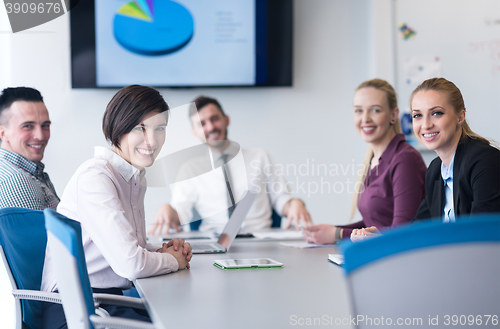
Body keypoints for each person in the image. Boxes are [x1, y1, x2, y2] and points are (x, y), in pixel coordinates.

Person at [41, 85, 193, 326]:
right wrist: (174, 261)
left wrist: (162, 251)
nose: (151, 141)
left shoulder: (133, 176)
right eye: (139, 128)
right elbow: (131, 264)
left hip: (105, 299)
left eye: (160, 129)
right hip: (74, 309)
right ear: (118, 128)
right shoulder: (96, 177)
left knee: (184, 314)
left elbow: (133, 249)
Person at [351, 77, 500, 241]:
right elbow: (415, 232)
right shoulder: (436, 170)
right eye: (417, 115)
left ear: (460, 116)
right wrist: (379, 238)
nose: (426, 124)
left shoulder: (484, 161)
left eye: (437, 113)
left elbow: (481, 237)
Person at [148, 95, 312, 235]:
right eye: (202, 124)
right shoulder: (189, 170)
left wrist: (294, 203)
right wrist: (167, 209)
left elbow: (281, 199)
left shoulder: (260, 156)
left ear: (226, 120)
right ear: (195, 132)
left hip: (260, 240)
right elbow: (180, 212)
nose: (211, 127)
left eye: (214, 119)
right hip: (214, 243)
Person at [303, 79, 426, 244]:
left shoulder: (405, 159)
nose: (365, 118)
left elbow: (401, 232)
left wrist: (338, 234)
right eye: (358, 111)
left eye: (375, 110)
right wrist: (331, 230)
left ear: (393, 115)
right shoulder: (374, 159)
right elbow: (374, 223)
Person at [0, 87, 59, 210]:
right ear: (3, 133)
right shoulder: (17, 182)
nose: (40, 136)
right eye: (27, 126)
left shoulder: (25, 171)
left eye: (45, 125)